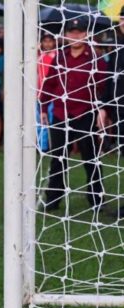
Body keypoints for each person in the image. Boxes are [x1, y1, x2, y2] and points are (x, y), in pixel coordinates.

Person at [39, 16, 107, 211]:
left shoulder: (95, 58)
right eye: (71, 32)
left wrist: (101, 111)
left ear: (86, 34)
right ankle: (53, 200)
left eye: (79, 32)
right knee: (58, 159)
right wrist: (44, 108)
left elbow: (102, 87)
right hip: (61, 114)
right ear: (66, 35)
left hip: (86, 114)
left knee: (91, 158)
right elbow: (49, 84)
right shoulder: (59, 57)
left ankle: (97, 200)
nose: (75, 35)